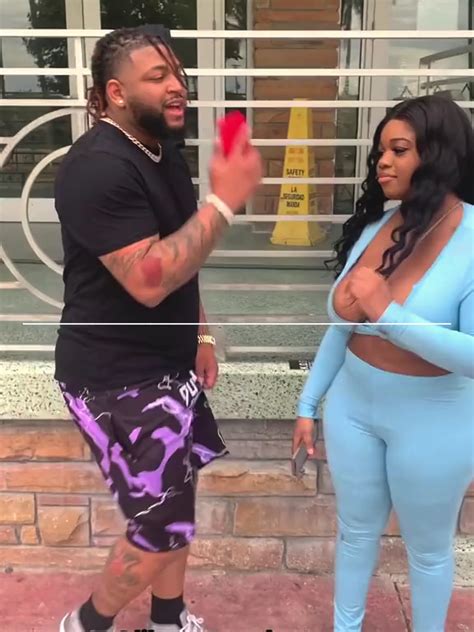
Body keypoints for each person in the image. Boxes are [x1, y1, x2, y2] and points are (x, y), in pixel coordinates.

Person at [54, 24, 262, 632]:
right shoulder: (96, 167)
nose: (178, 87)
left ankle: (168, 619)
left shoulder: (161, 151)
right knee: (159, 521)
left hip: (166, 366)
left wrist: (201, 334)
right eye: (158, 77)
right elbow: (149, 277)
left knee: (178, 500)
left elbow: (179, 254)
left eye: (178, 74)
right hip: (114, 378)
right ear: (116, 92)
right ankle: (85, 625)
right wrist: (223, 203)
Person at [293, 94, 474, 631]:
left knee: (427, 550)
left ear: (437, 155)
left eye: (398, 150)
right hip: (352, 407)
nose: (382, 162)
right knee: (354, 532)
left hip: (434, 419)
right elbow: (343, 328)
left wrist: (389, 315)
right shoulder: (381, 225)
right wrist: (308, 404)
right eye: (380, 152)